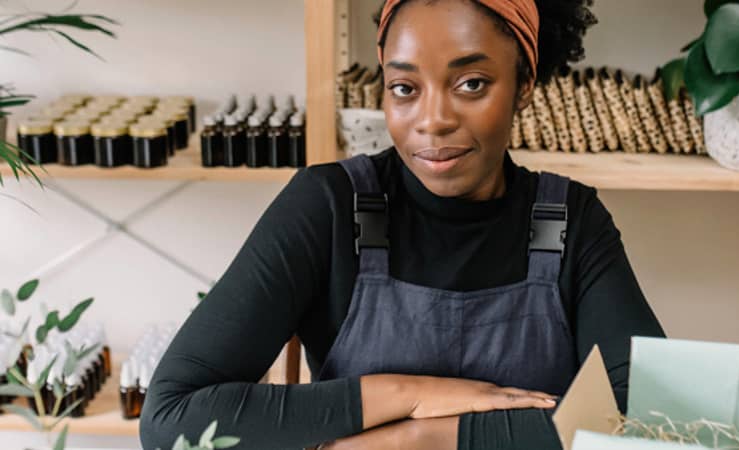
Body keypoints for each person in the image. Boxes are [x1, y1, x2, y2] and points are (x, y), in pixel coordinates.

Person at [139, 0, 665, 449]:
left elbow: (649, 420)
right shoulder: (327, 205)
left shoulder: (574, 221)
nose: (432, 119)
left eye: (471, 83)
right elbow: (170, 417)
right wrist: (410, 395)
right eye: (404, 88)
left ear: (524, 83)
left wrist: (420, 437)